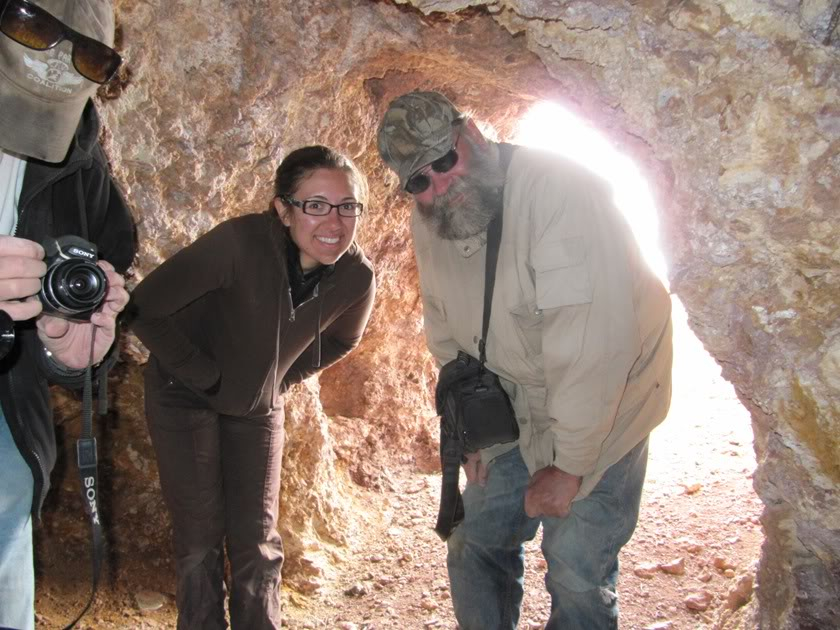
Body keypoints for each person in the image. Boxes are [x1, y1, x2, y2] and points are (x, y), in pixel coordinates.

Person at [377, 91, 673, 629]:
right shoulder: (434, 218)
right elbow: (447, 332)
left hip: (605, 410)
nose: (440, 185)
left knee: (575, 565)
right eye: (419, 180)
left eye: (445, 160)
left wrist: (571, 465)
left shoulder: (561, 195)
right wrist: (473, 434)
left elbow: (592, 350)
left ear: (472, 136)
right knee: (474, 544)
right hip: (517, 406)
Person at [129, 145, 376, 629]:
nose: (334, 221)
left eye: (348, 206)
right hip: (184, 395)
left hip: (257, 407)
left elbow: (343, 339)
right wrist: (206, 375)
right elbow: (143, 308)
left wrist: (279, 377)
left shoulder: (356, 276)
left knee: (258, 542)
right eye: (316, 204)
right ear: (283, 209)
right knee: (200, 540)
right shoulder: (238, 245)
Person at [0, 1, 136, 629]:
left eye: (87, 53)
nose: (56, 57)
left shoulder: (78, 152)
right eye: (32, 25)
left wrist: (68, 349)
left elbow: (98, 260)